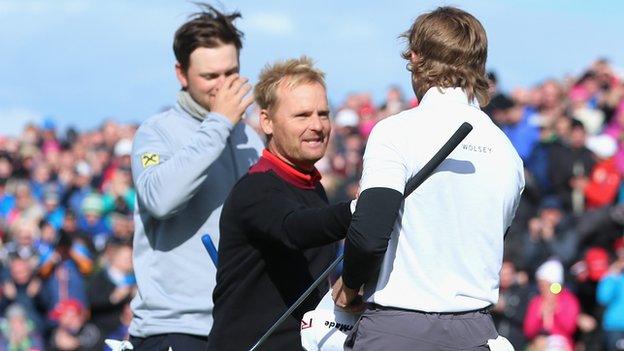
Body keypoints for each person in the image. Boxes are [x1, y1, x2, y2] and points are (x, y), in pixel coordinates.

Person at [331, 7, 524, 350]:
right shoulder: (506, 151)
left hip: (397, 327)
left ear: (416, 59)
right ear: (478, 65)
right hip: (475, 331)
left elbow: (369, 234)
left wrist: (349, 284)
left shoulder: (395, 131)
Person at [128, 4, 264, 350]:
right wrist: (217, 125)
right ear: (181, 74)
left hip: (240, 322)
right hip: (175, 326)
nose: (222, 86)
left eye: (231, 73)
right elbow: (160, 200)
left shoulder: (249, 138)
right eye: (210, 76)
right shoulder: (156, 134)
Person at [207, 57, 352, 350]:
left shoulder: (312, 187)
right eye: (302, 115)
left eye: (323, 114)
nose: (317, 125)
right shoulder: (257, 187)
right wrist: (360, 210)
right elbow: (294, 228)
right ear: (267, 121)